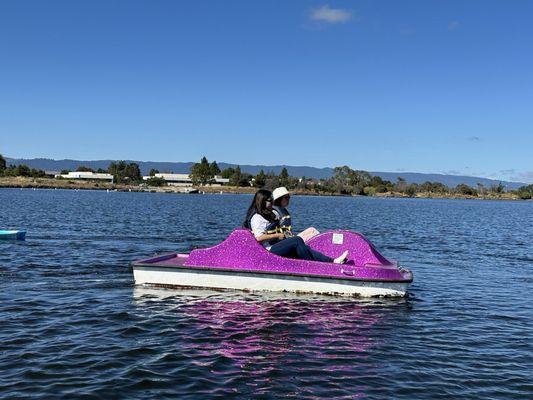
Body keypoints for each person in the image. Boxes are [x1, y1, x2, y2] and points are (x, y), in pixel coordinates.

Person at [243, 189, 348, 263]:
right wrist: (277, 235)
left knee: (305, 247)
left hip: (274, 246)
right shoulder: (257, 218)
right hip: (267, 251)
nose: (272, 203)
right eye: (270, 201)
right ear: (262, 201)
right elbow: (258, 238)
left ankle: (333, 261)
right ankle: (311, 266)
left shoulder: (270, 215)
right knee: (297, 240)